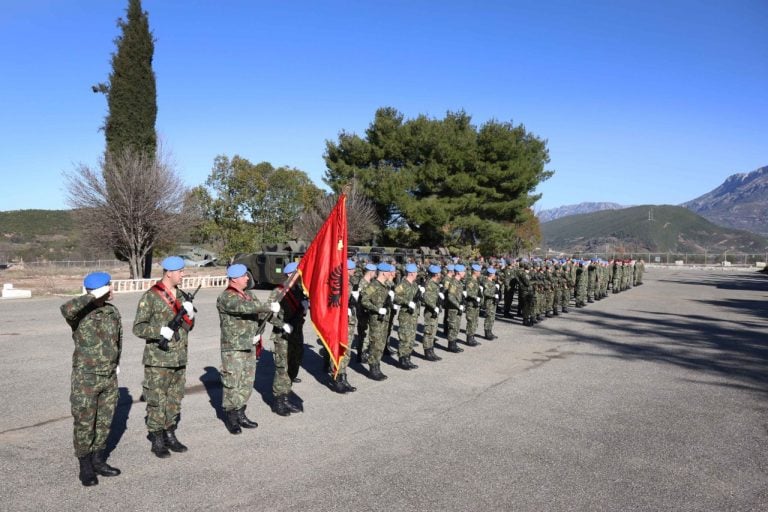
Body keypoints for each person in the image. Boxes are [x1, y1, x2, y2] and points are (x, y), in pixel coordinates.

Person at [60, 271, 122, 486]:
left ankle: (98, 460)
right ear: (98, 290)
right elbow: (65, 308)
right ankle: (85, 466)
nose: (112, 289)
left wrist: (117, 364)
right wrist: (91, 296)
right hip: (86, 379)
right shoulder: (78, 313)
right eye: (108, 286)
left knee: (104, 422)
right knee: (85, 422)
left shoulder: (112, 312)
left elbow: (118, 341)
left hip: (109, 377)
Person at [133, 256, 195, 458]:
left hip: (179, 357)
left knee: (175, 399)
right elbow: (138, 327)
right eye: (181, 271)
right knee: (157, 399)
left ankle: (170, 433)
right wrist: (159, 331)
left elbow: (188, 327)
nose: (183, 274)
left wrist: (190, 317)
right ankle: (157, 437)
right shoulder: (151, 296)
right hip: (159, 358)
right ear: (169, 272)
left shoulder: (183, 296)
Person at [216, 264, 280, 434]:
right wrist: (268, 306)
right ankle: (231, 417)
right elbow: (244, 308)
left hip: (250, 345)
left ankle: (240, 413)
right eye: (244, 276)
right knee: (233, 382)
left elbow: (259, 313)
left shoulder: (249, 294)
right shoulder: (226, 297)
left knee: (246, 382)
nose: (247, 278)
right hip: (234, 348)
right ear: (234, 278)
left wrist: (271, 316)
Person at [269, 261, 306, 416]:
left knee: (294, 364)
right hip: (283, 336)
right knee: (282, 369)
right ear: (290, 274)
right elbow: (268, 314)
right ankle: (279, 401)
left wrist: (305, 307)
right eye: (297, 274)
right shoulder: (279, 291)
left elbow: (300, 313)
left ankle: (287, 394)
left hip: (296, 334)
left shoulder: (298, 290)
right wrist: (282, 324)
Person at [361, 262, 395, 380]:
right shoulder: (373, 286)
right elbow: (364, 300)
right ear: (384, 273)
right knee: (375, 343)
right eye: (389, 272)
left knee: (381, 344)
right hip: (376, 320)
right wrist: (377, 309)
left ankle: (377, 366)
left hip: (385, 320)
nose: (390, 273)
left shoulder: (385, 286)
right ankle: (372, 369)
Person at [393, 262, 420, 370]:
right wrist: (407, 302)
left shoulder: (414, 284)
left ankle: (408, 358)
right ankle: (402, 360)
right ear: (412, 273)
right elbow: (395, 297)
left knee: (411, 338)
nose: (417, 274)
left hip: (413, 315)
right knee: (404, 338)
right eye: (416, 272)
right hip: (405, 316)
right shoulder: (401, 285)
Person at [420, 264, 443, 361]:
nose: (440, 274)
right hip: (430, 311)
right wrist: (434, 307)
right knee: (429, 331)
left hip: (434, 310)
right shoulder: (429, 283)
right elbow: (426, 298)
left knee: (433, 331)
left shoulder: (435, 283)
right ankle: (427, 352)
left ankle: (431, 350)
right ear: (436, 274)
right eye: (439, 273)